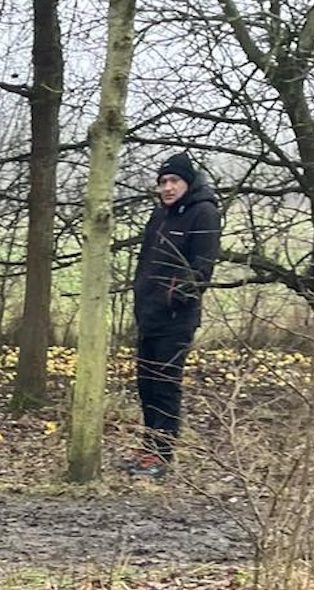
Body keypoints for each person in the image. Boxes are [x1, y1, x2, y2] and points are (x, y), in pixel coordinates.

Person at [128, 152, 221, 480]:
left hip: (176, 319)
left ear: (188, 183)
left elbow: (201, 269)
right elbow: (145, 263)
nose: (167, 188)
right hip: (148, 315)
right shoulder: (159, 215)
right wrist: (141, 295)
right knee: (146, 386)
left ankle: (162, 454)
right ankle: (148, 446)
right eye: (163, 182)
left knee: (165, 387)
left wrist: (174, 296)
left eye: (174, 181)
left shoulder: (204, 213)